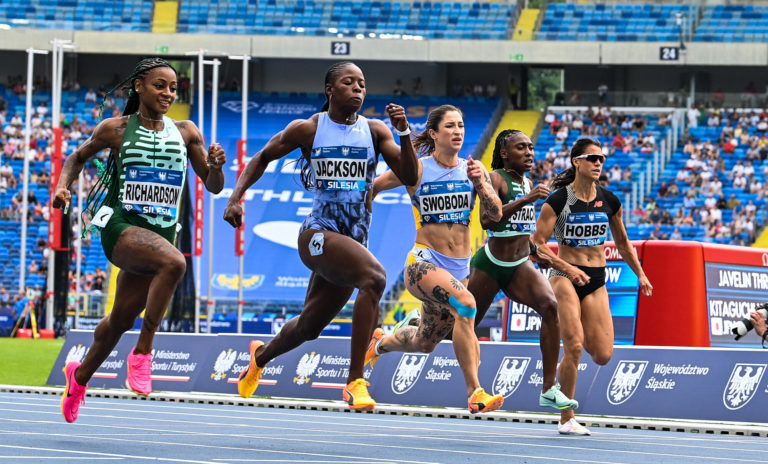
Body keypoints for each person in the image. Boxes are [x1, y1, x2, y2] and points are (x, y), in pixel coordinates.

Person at [223, 61, 418, 412]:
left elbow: (410, 176)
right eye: (349, 82)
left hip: (352, 242)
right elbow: (262, 157)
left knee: (309, 327)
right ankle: (355, 380)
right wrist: (235, 198)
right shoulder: (309, 128)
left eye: (362, 84)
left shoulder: (375, 131)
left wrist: (403, 132)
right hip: (317, 234)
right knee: (374, 278)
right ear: (330, 90)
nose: (358, 88)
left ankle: (260, 357)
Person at [53, 58, 227, 423]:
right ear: (139, 87)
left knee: (119, 320)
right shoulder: (115, 129)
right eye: (159, 85)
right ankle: (143, 353)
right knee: (175, 262)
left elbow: (213, 186)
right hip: (121, 227)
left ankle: (78, 378)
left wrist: (216, 167)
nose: (168, 93)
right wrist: (63, 186)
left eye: (173, 88)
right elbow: (76, 157)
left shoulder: (186, 132)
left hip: (160, 234)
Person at [364, 104, 506, 414]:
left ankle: (380, 343)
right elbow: (372, 189)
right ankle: (476, 392)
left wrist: (480, 184)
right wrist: (359, 226)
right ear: (433, 133)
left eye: (461, 126)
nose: (458, 131)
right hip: (423, 264)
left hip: (459, 269)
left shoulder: (474, 168)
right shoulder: (416, 169)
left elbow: (496, 215)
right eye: (450, 126)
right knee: (466, 304)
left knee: (424, 343)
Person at [532, 137, 653, 436]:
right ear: (577, 162)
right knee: (574, 345)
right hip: (564, 276)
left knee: (602, 354)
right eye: (592, 158)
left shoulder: (610, 200)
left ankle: (566, 358)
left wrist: (640, 274)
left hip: (596, 279)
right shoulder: (558, 201)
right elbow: (537, 244)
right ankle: (567, 417)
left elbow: (623, 243)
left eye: (602, 158)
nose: (598, 163)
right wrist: (568, 268)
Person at [466, 129, 577, 412]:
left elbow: (520, 229)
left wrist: (535, 251)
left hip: (519, 265)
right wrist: (527, 200)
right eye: (521, 148)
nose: (529, 153)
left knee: (550, 307)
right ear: (504, 153)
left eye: (530, 147)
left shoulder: (527, 182)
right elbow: (488, 221)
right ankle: (416, 324)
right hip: (491, 264)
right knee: (458, 327)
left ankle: (549, 389)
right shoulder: (495, 178)